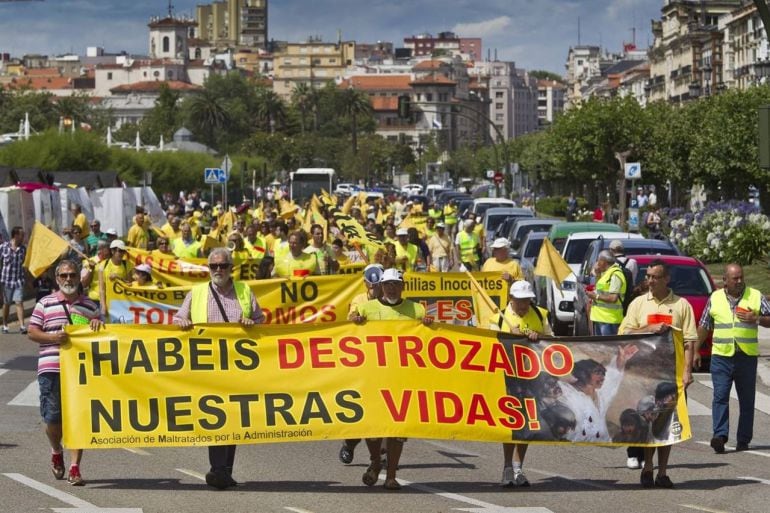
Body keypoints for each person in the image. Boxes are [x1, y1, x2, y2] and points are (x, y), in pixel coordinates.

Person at [173, 247, 265, 490]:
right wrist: (182, 322)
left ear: (231, 268)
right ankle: (217, 468)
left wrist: (250, 323)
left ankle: (225, 470)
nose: (218, 270)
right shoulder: (198, 292)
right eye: (213, 266)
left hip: (237, 367)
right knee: (216, 417)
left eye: (222, 266)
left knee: (233, 418)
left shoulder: (245, 291)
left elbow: (260, 320)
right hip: (208, 367)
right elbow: (178, 318)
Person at [618, 258, 697, 488]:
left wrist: (687, 372)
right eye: (648, 276)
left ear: (666, 279)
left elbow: (690, 342)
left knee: (667, 423)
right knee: (647, 421)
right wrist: (648, 329)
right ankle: (647, 467)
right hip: (645, 374)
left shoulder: (682, 305)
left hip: (671, 375)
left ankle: (662, 472)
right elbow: (624, 333)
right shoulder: (638, 304)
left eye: (654, 277)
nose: (650, 281)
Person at [352, 268, 433, 491]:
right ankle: (376, 461)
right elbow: (349, 331)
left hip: (403, 378)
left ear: (402, 286)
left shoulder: (416, 310)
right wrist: (353, 320)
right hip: (373, 377)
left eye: (395, 284)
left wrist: (429, 326)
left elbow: (430, 337)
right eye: (387, 284)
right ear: (381, 286)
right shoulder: (366, 308)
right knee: (371, 428)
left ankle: (391, 475)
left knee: (398, 431)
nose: (391, 288)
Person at [27, 259, 103, 486]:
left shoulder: (90, 306)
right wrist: (53, 338)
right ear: (57, 278)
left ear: (79, 277)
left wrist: (98, 325)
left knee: (79, 419)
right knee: (53, 418)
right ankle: (56, 449)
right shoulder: (45, 303)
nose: (68, 279)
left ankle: (75, 467)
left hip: (81, 371)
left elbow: (102, 337)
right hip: (52, 368)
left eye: (72, 275)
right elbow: (32, 332)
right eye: (64, 275)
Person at [696, 263, 770, 454]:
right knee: (720, 396)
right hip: (721, 356)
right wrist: (695, 350)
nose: (739, 281)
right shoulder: (715, 298)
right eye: (735, 278)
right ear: (725, 280)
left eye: (741, 277)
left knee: (746, 400)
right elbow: (705, 325)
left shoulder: (755, 295)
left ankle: (743, 439)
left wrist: (757, 319)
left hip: (746, 356)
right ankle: (720, 436)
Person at [488, 280, 551, 488]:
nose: (524, 305)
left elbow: (553, 341)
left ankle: (518, 467)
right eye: (520, 301)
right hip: (505, 377)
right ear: (511, 300)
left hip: (532, 377)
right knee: (510, 423)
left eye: (527, 301)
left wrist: (538, 336)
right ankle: (507, 466)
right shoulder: (498, 318)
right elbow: (486, 344)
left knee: (527, 423)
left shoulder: (540, 314)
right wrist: (508, 337)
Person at [338, 264, 384, 465]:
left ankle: (381, 454)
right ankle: (350, 444)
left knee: (385, 411)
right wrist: (356, 319)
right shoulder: (359, 300)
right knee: (365, 413)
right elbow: (351, 318)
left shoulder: (389, 301)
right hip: (364, 363)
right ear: (366, 283)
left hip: (386, 363)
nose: (374, 289)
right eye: (371, 285)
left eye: (378, 285)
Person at [586, 250, 626, 336]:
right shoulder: (606, 273)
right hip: (601, 318)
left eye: (598, 260)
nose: (597, 263)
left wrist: (595, 296)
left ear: (603, 261)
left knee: (609, 347)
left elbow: (613, 298)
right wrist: (597, 275)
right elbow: (599, 289)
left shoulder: (615, 275)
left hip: (609, 320)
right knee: (600, 348)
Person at [0, 226, 27, 333]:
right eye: (22, 235)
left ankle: (22, 326)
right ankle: (5, 324)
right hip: (6, 280)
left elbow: (25, 263)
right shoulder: (3, 247)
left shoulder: (23, 249)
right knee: (6, 304)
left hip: (19, 280)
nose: (23, 237)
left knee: (19, 302)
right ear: (16, 235)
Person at [98, 240, 134, 320]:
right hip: (110, 304)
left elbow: (130, 285)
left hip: (124, 303)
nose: (122, 254)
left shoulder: (127, 264)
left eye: (123, 251)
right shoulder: (103, 265)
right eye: (120, 251)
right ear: (112, 251)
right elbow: (102, 289)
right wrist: (103, 305)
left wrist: (118, 277)